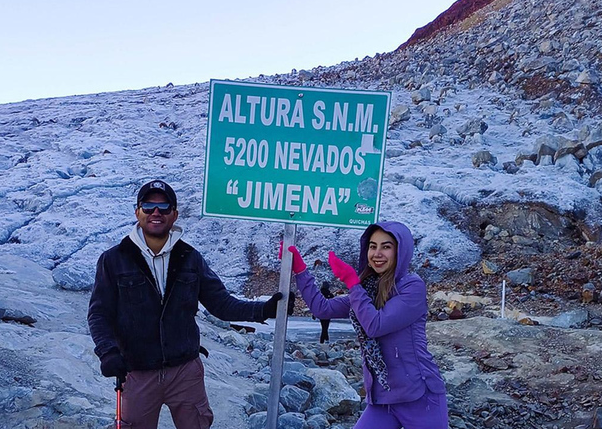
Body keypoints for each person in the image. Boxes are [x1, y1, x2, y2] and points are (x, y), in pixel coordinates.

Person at [88, 180, 292, 429]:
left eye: (163, 206)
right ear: (137, 212)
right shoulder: (113, 260)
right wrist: (108, 352)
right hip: (136, 371)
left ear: (174, 214)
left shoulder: (190, 258)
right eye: (148, 206)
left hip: (185, 372)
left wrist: (264, 310)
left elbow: (221, 304)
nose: (156, 212)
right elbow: (99, 313)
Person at [283, 221, 449, 429]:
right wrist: (300, 271)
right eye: (373, 246)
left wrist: (352, 283)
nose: (377, 253)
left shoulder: (412, 287)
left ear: (401, 251)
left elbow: (375, 325)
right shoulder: (367, 289)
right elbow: (321, 308)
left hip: (419, 397)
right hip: (383, 397)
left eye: (386, 246)